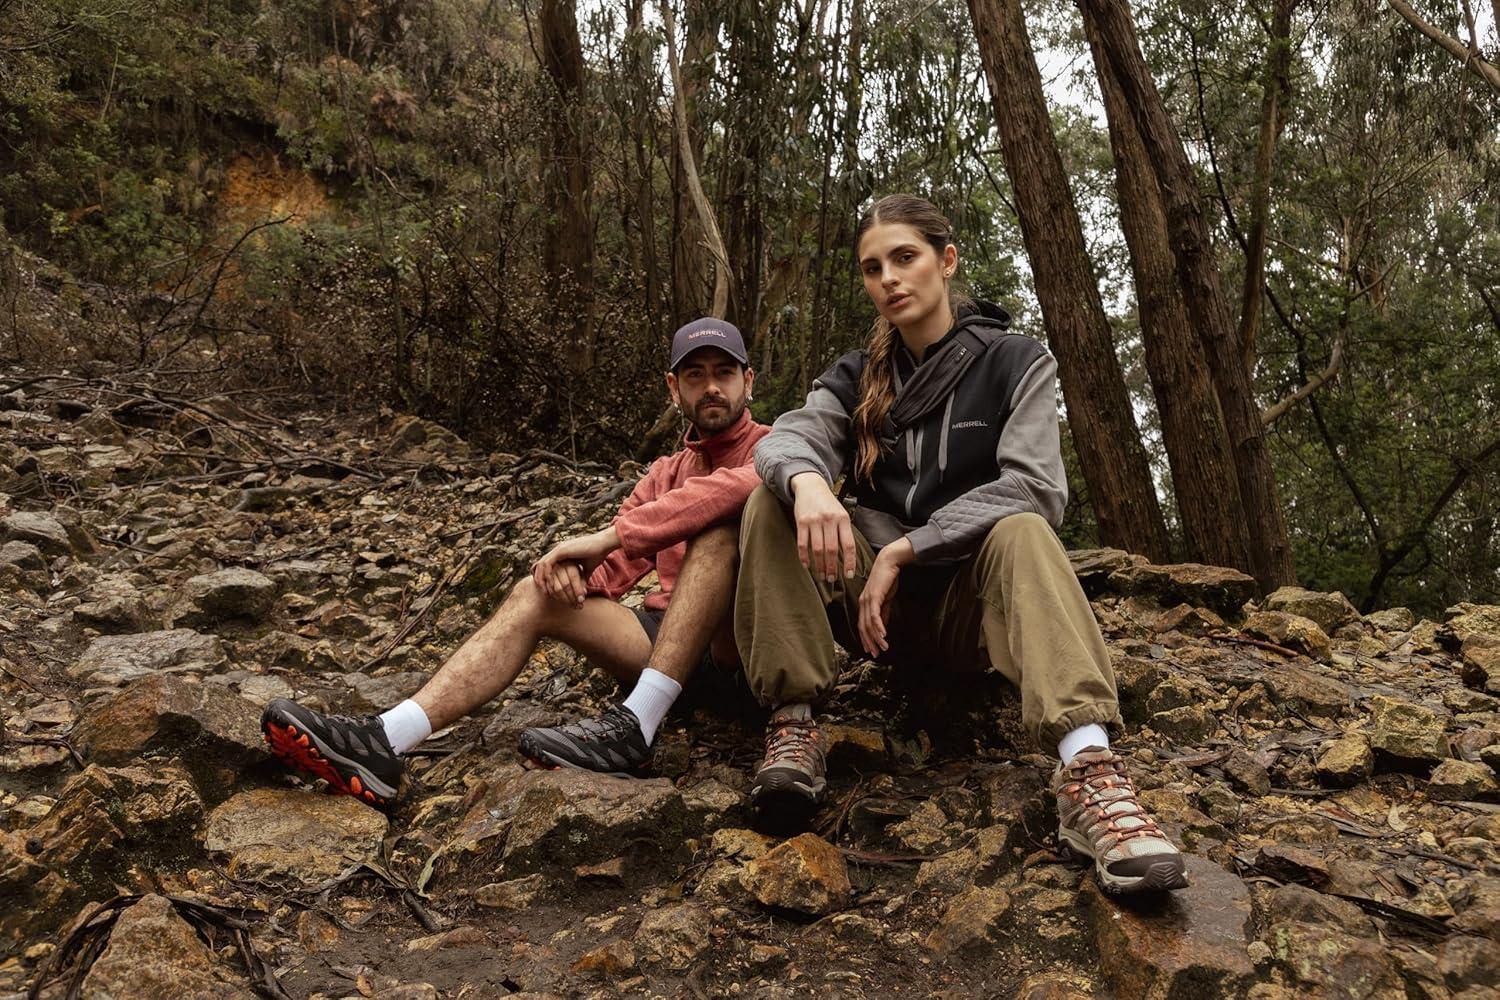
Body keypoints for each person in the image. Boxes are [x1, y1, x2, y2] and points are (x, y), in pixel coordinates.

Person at [735, 194, 1187, 894]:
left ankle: (1090, 772)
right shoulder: (854, 376)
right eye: (873, 268)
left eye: (905, 258)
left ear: (946, 261)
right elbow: (787, 438)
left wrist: (906, 548)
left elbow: (1035, 486)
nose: (890, 278)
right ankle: (793, 725)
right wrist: (809, 482)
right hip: (874, 618)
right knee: (771, 499)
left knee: (1023, 528)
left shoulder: (1015, 362)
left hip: (970, 615)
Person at [261, 318, 768, 808]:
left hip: (742, 649)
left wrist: (607, 536)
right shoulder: (665, 472)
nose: (711, 387)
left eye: (723, 373)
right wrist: (572, 573)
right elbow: (612, 566)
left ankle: (638, 725)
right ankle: (387, 738)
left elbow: (724, 493)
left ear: (747, 381)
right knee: (535, 593)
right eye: (695, 375)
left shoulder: (774, 446)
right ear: (673, 388)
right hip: (668, 645)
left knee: (718, 529)